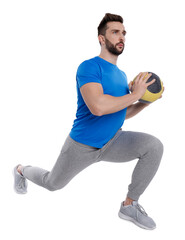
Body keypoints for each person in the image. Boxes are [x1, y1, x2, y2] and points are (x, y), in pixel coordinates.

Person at [13, 13, 164, 230]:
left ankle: (129, 205)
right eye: (115, 32)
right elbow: (98, 107)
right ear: (102, 39)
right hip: (82, 145)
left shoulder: (121, 75)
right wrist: (135, 94)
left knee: (154, 146)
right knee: (52, 184)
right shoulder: (89, 67)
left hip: (113, 141)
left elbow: (120, 113)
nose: (121, 37)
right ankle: (20, 170)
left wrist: (146, 102)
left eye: (123, 33)